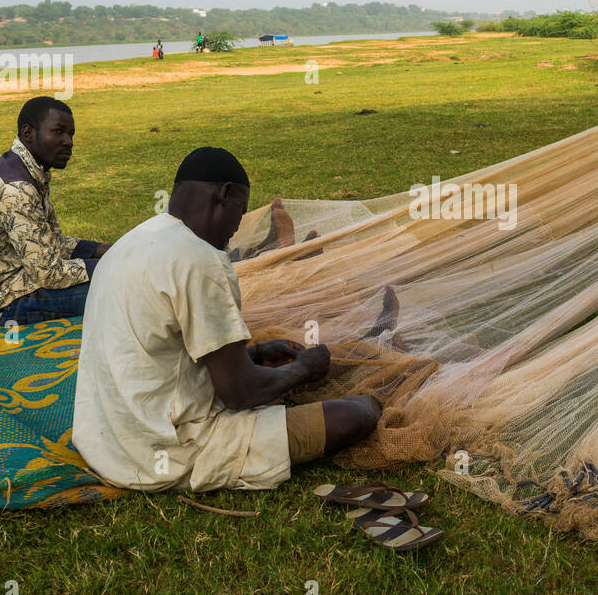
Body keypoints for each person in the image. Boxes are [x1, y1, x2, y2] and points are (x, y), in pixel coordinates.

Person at [72, 147, 381, 493]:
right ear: (225, 195)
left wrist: (256, 352)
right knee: (360, 412)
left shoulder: (131, 242)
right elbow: (240, 393)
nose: (236, 228)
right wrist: (303, 368)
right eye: (241, 211)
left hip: (105, 443)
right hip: (162, 455)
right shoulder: (200, 259)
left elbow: (163, 357)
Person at [0, 96, 111, 326]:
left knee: (117, 271)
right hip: (6, 301)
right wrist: (112, 263)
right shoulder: (15, 188)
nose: (68, 142)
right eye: (58, 132)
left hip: (18, 279)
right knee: (123, 287)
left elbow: (48, 243)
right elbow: (49, 273)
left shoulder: (22, 168)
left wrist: (101, 250)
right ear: (28, 133)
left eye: (71, 134)